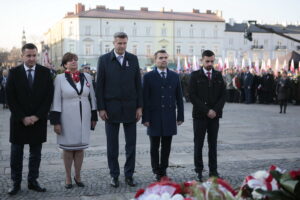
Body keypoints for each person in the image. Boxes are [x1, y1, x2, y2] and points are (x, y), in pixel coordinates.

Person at [5, 43, 54, 195]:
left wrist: (37, 116)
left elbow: (48, 97)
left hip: (38, 120)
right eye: (28, 55)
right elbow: (10, 98)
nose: (32, 58)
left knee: (36, 154)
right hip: (19, 121)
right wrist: (22, 117)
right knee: (16, 154)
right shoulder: (14, 73)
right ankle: (16, 182)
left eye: (34, 55)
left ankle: (33, 181)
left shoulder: (45, 72)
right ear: (22, 56)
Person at [96, 32, 143, 188]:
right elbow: (99, 86)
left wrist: (139, 107)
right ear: (114, 43)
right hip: (111, 109)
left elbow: (138, 84)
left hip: (131, 108)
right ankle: (114, 175)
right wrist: (101, 108)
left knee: (131, 145)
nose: (122, 46)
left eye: (124, 43)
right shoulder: (104, 60)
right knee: (112, 146)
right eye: (119, 43)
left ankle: (129, 175)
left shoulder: (133, 59)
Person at [50, 52, 98, 189]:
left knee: (80, 148)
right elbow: (56, 100)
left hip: (84, 116)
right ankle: (67, 177)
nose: (73, 62)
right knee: (68, 149)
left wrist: (94, 116)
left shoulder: (87, 76)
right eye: (70, 60)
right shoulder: (59, 78)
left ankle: (78, 175)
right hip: (67, 117)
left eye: (75, 60)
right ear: (65, 64)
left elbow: (92, 97)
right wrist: (56, 122)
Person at [142, 50, 184, 181]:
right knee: (154, 146)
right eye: (161, 58)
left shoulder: (174, 76)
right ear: (155, 60)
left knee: (166, 146)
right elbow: (145, 99)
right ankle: (156, 171)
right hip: (153, 116)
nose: (164, 60)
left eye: (166, 57)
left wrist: (180, 116)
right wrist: (145, 118)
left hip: (169, 116)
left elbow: (179, 97)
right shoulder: (148, 77)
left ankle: (163, 170)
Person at [189, 50, 226, 182]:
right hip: (200, 116)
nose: (210, 63)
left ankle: (213, 170)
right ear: (202, 61)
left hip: (214, 117)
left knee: (213, 144)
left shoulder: (218, 75)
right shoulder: (195, 76)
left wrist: (215, 110)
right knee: (198, 144)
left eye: (212, 61)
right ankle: (199, 170)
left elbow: (223, 95)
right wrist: (206, 110)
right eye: (207, 61)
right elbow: (192, 96)